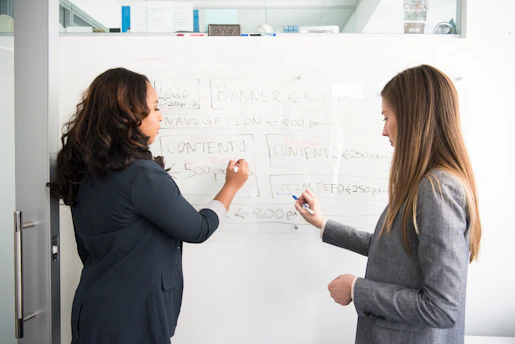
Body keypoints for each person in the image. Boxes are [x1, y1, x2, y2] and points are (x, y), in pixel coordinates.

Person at [48, 67, 249, 344]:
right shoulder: (141, 175)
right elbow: (198, 229)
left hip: (94, 307)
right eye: (154, 108)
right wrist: (231, 186)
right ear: (128, 115)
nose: (160, 116)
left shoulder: (84, 166)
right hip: (132, 318)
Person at [295, 65, 481, 344]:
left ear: (412, 119)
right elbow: (393, 252)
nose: (384, 131)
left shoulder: (437, 189)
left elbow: (442, 308)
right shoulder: (424, 184)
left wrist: (358, 290)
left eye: (386, 118)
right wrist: (322, 223)